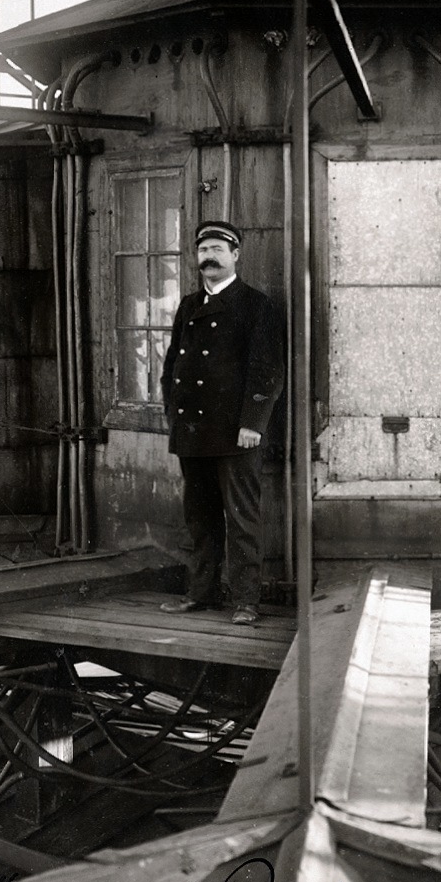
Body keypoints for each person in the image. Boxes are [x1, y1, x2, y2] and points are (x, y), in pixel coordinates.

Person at [159, 220, 283, 625]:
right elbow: (172, 365)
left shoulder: (255, 305)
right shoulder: (189, 305)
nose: (208, 257)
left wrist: (253, 423)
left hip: (236, 433)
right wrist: (171, 412)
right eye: (202, 250)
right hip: (192, 430)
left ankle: (246, 600)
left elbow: (267, 371)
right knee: (199, 517)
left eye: (217, 249)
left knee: (242, 519)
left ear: (235, 255)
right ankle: (202, 593)